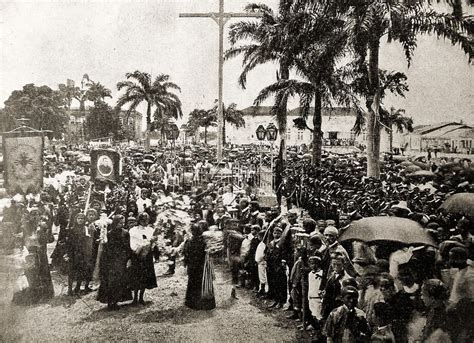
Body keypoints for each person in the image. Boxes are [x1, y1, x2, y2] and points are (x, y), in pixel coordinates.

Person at [97, 215, 133, 310]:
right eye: (119, 223)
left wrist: (128, 258)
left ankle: (116, 300)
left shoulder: (125, 233)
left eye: (122, 223)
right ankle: (110, 301)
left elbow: (127, 247)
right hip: (111, 260)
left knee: (119, 281)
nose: (120, 225)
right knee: (111, 281)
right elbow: (107, 248)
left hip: (121, 259)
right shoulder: (109, 233)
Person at [183, 223, 216, 310]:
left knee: (193, 283)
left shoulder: (189, 242)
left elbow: (185, 253)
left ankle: (193, 303)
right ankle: (206, 303)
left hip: (193, 266)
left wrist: (186, 263)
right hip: (202, 266)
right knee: (204, 282)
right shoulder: (204, 242)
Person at [128, 212, 158, 305]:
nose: (145, 222)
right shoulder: (133, 230)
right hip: (137, 255)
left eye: (147, 220)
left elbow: (153, 244)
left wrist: (152, 242)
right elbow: (132, 243)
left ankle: (141, 297)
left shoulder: (150, 230)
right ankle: (135, 298)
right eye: (143, 220)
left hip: (147, 256)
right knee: (137, 276)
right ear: (139, 220)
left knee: (145, 276)